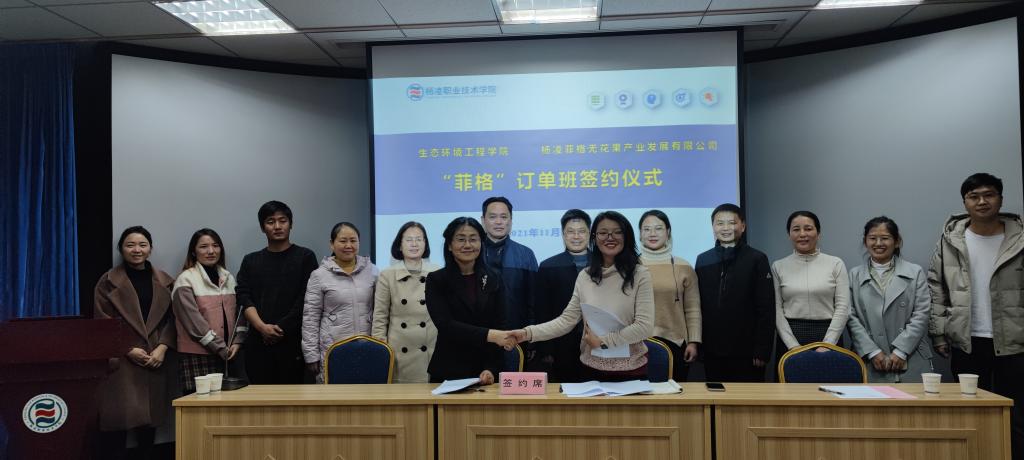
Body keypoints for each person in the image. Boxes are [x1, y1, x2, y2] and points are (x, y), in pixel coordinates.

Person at [929, 173, 1023, 459]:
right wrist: (939, 332)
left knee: (1016, 415)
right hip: (967, 340)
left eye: (989, 194)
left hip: (1015, 342)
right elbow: (937, 286)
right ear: (965, 202)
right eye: (974, 196)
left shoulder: (1019, 238)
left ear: (1000, 199)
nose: (982, 201)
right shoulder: (950, 240)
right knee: (970, 413)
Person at [512, 211, 654, 382]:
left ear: (627, 236)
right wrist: (527, 333)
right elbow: (566, 321)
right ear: (594, 237)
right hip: (590, 370)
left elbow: (644, 326)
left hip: (631, 372)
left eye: (617, 232)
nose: (610, 237)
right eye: (603, 233)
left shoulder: (640, 274)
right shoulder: (585, 276)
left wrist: (603, 341)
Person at [93, 226, 176, 459]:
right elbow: (102, 321)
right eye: (130, 245)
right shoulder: (107, 282)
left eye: (142, 245)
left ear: (150, 249)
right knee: (118, 425)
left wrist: (162, 347)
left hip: (154, 358)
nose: (137, 250)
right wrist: (128, 349)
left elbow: (174, 319)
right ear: (121, 249)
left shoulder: (165, 282)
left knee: (149, 427)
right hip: (122, 361)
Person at [237, 201, 318, 384]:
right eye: (270, 222)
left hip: (293, 343)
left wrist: (279, 329)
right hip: (258, 344)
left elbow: (306, 299)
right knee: (260, 398)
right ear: (262, 227)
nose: (277, 226)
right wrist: (262, 328)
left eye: (283, 220)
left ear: (291, 224)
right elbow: (243, 297)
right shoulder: (250, 261)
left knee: (294, 399)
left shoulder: (305, 257)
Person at [425, 217, 514, 384]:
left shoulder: (494, 278)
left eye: (473, 239)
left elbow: (500, 325)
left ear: (481, 243)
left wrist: (491, 368)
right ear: (449, 245)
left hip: (485, 371)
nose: (467, 245)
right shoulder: (437, 280)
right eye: (461, 239)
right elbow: (445, 325)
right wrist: (489, 335)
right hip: (449, 369)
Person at [695, 204, 775, 382]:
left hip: (747, 350)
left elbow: (766, 308)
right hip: (712, 349)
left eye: (732, 223)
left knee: (748, 397)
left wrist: (762, 350)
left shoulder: (757, 258)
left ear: (743, 226)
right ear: (713, 227)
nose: (726, 228)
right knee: (716, 394)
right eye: (720, 223)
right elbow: (697, 306)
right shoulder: (703, 259)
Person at [847, 217, 933, 383]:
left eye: (885, 238)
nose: (878, 243)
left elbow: (922, 313)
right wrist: (872, 351)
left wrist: (901, 351)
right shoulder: (854, 275)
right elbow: (850, 316)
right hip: (868, 359)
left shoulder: (915, 272)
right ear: (865, 242)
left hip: (911, 357)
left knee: (912, 400)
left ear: (897, 241)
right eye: (872, 238)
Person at [302, 222, 379, 383]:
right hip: (333, 349)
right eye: (343, 241)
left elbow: (381, 312)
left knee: (367, 393)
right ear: (332, 243)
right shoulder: (319, 275)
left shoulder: (373, 271)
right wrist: (311, 354)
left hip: (368, 346)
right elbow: (310, 318)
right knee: (335, 396)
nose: (348, 245)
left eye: (353, 240)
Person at [171, 228, 245, 393]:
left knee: (229, 404)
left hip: (230, 353)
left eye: (215, 246)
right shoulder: (186, 279)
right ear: (193, 252)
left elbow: (239, 313)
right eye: (204, 247)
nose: (211, 251)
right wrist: (220, 347)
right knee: (201, 404)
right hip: (198, 354)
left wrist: (237, 342)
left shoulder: (228, 277)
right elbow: (194, 323)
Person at [773, 210, 850, 363]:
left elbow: (843, 307)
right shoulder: (778, 266)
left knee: (830, 378)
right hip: (790, 337)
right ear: (789, 234)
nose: (802, 234)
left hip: (829, 335)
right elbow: (776, 309)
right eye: (796, 229)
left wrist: (828, 343)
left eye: (808, 229)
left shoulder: (836, 264)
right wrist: (793, 346)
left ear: (818, 233)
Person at [371, 222, 441, 383]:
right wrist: (380, 350)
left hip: (431, 352)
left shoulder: (437, 272)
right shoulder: (387, 275)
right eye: (409, 240)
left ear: (425, 244)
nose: (414, 244)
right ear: (400, 245)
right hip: (399, 353)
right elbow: (380, 317)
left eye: (419, 239)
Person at [638, 210, 701, 382]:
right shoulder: (629, 266)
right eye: (646, 229)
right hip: (636, 343)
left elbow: (693, 308)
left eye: (658, 228)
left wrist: (693, 342)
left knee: (674, 394)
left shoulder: (683, 266)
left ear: (668, 232)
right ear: (640, 234)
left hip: (676, 342)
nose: (652, 234)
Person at [534, 209, 591, 382]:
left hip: (598, 342)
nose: (576, 236)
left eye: (581, 231)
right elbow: (542, 311)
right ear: (563, 235)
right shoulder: (548, 266)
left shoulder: (604, 263)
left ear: (589, 233)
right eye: (571, 232)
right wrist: (545, 349)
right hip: (561, 343)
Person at [480, 197, 538, 332]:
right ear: (483, 220)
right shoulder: (472, 253)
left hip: (516, 332)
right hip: (479, 333)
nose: (498, 222)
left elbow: (534, 300)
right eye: (493, 217)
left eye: (504, 217)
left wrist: (531, 334)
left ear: (510, 221)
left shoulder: (525, 254)